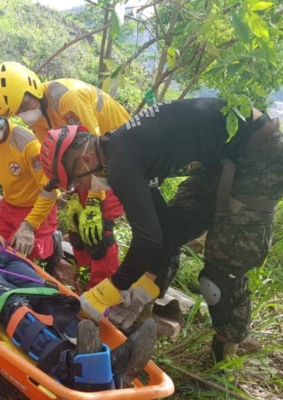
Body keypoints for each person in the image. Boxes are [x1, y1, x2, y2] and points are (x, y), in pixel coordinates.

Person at [39, 98, 283, 362]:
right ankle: (143, 310)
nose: (82, 188)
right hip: (224, 154)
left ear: (85, 159)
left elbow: (147, 240)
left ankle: (224, 356)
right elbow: (162, 229)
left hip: (260, 152)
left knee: (221, 275)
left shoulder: (121, 163)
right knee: (175, 228)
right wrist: (147, 282)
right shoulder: (121, 148)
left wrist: (110, 289)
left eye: (76, 181)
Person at [0, 219, 158, 390]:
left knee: (50, 296)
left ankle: (102, 362)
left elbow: (3, 243)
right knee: (13, 301)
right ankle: (72, 366)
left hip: (3, 257)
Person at [0, 61, 128, 288]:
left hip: (118, 161)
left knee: (99, 229)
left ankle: (104, 294)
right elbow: (54, 162)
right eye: (18, 112)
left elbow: (95, 153)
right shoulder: (40, 117)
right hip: (85, 167)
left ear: (32, 87)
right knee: (77, 228)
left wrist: (92, 201)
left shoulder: (67, 99)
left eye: (25, 105)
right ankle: (84, 283)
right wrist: (71, 195)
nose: (24, 114)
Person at [0, 84, 72, 282]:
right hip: (9, 205)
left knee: (26, 252)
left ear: (5, 115)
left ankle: (53, 243)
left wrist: (29, 226)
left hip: (37, 207)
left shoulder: (28, 144)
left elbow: (49, 191)